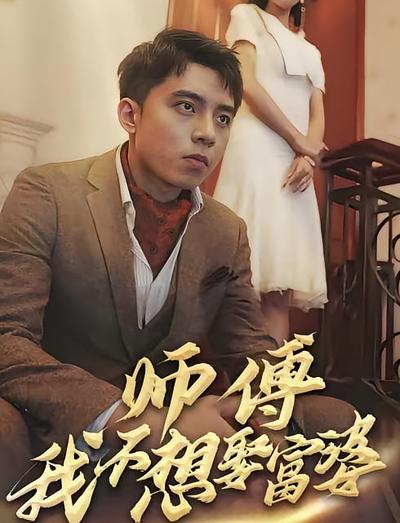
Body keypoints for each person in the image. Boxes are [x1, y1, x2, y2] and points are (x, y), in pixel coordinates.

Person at [0, 28, 352, 499]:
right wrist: (134, 420)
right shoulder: (47, 192)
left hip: (181, 424)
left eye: (224, 117)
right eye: (186, 106)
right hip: (67, 420)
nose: (208, 132)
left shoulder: (226, 229)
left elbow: (248, 348)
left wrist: (269, 403)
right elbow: (7, 338)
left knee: (336, 417)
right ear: (131, 114)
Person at [214, 0, 328, 345]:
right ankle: (235, 374)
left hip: (295, 163)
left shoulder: (310, 50)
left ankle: (273, 379)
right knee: (243, 278)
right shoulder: (247, 16)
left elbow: (317, 111)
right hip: (257, 148)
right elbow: (246, 83)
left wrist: (307, 155)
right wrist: (299, 142)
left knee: (279, 285)